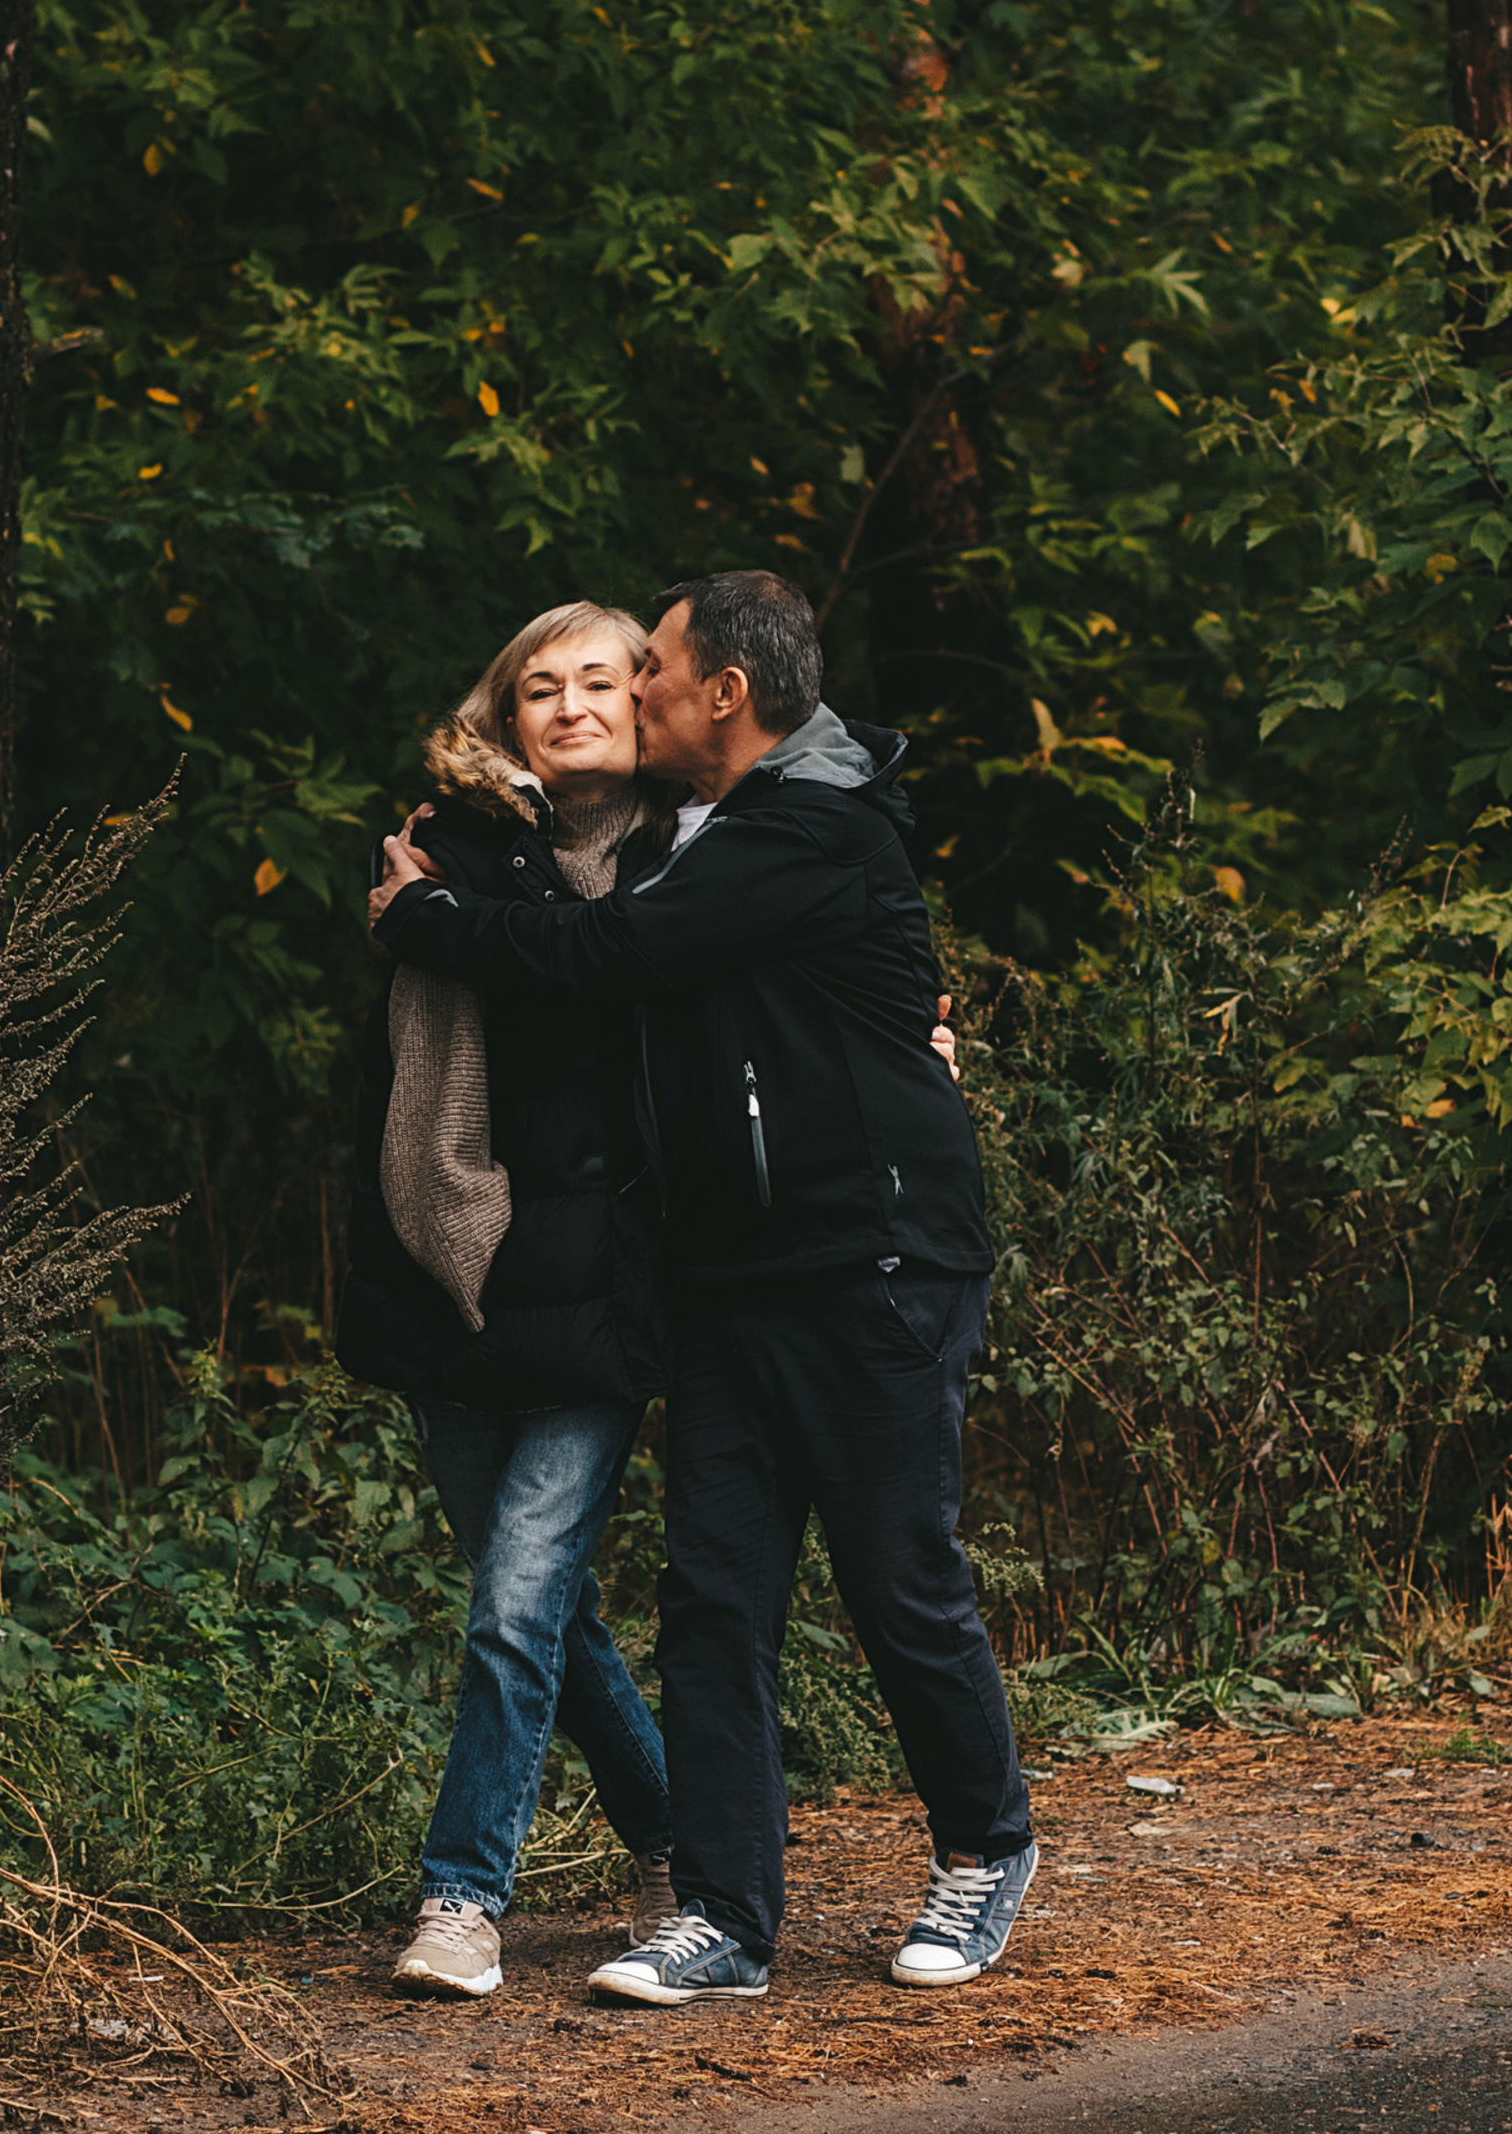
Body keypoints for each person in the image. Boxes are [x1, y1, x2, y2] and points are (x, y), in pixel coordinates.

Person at [368, 570, 1037, 2005]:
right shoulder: (695, 833)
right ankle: (725, 1915)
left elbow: (616, 956)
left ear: (724, 695)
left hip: (872, 1264)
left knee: (899, 1582)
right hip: (725, 1281)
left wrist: (426, 919)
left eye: (651, 672)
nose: (630, 692)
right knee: (715, 1602)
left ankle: (985, 1847)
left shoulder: (808, 826)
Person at [337, 601, 680, 1999]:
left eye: (600, 680)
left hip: (605, 1288)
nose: (573, 705)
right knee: (540, 1612)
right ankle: (683, 1842)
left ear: (649, 703)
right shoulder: (448, 847)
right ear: (506, 716)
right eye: (542, 687)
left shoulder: (690, 854)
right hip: (445, 1273)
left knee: (515, 1608)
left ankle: (462, 1900)